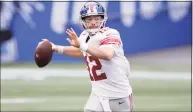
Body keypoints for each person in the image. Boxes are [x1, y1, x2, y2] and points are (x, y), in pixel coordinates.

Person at [41, 1, 134, 112]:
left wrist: (81, 45)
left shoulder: (111, 34)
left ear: (103, 19)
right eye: (89, 19)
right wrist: (57, 48)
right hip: (98, 94)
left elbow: (107, 54)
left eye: (97, 19)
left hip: (119, 95)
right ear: (83, 21)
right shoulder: (84, 36)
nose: (93, 22)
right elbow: (83, 52)